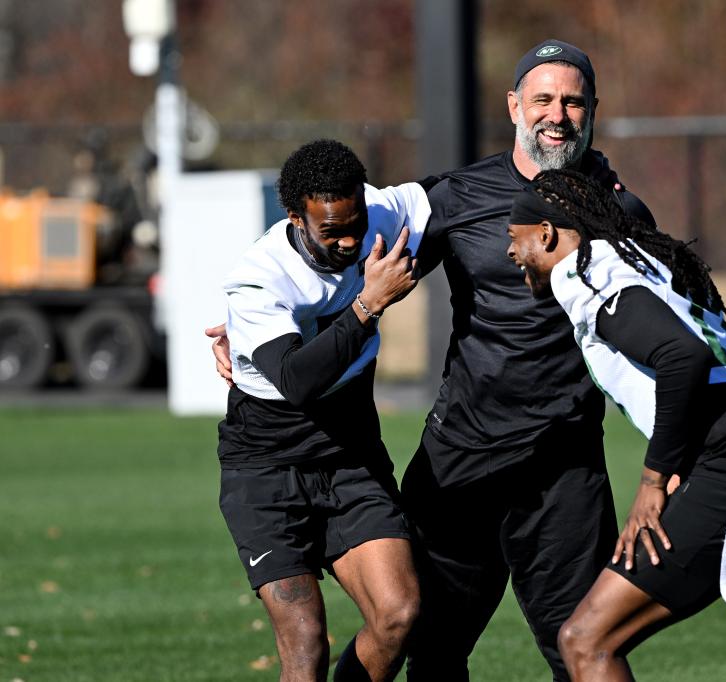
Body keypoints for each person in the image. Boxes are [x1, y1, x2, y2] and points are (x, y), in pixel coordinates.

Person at [209, 39, 655, 680]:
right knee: (430, 644)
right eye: (542, 99)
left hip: (563, 467)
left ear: (591, 111)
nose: (557, 114)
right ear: (513, 106)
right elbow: (316, 249)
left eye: (573, 101)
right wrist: (244, 324)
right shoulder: (454, 197)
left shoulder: (622, 213)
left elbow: (675, 325)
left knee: (584, 649)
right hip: (459, 463)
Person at [505, 168, 726, 681]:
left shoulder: (584, 269)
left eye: (515, 239)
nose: (511, 253)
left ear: (548, 233)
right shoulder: (659, 276)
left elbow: (680, 356)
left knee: (586, 641)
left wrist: (654, 479)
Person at [217, 138, 432, 682]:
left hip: (349, 455)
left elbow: (458, 194)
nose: (351, 240)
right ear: (295, 218)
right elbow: (297, 381)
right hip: (266, 468)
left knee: (398, 615)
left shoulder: (379, 211)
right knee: (306, 644)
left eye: (355, 222)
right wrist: (367, 304)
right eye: (332, 231)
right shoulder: (259, 278)